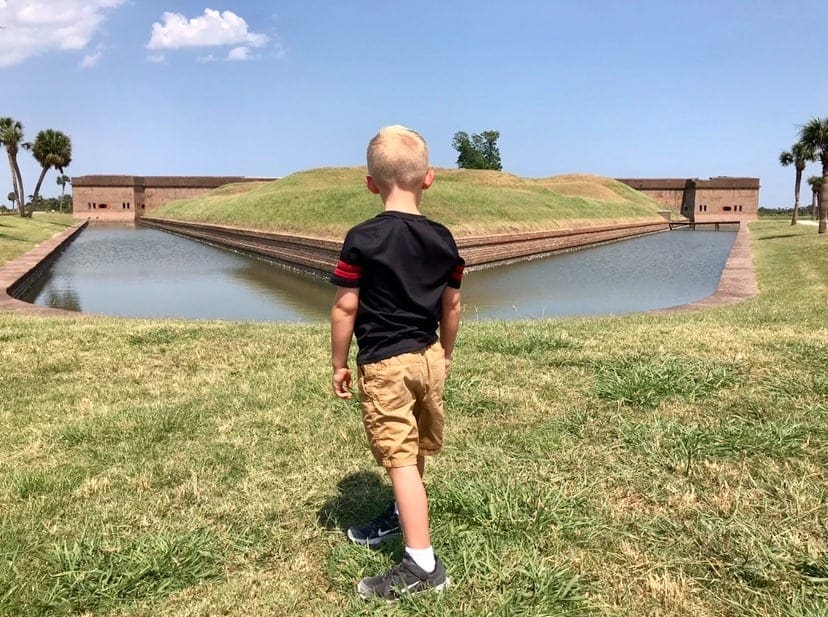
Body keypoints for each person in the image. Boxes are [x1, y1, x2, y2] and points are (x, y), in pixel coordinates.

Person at [330, 125, 464, 600]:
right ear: (429, 178)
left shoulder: (361, 239)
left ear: (370, 183)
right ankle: (399, 515)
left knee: (401, 458)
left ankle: (423, 565)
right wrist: (444, 354)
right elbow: (452, 306)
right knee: (416, 449)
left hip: (385, 364)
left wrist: (339, 362)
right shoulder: (444, 239)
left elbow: (346, 306)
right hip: (428, 357)